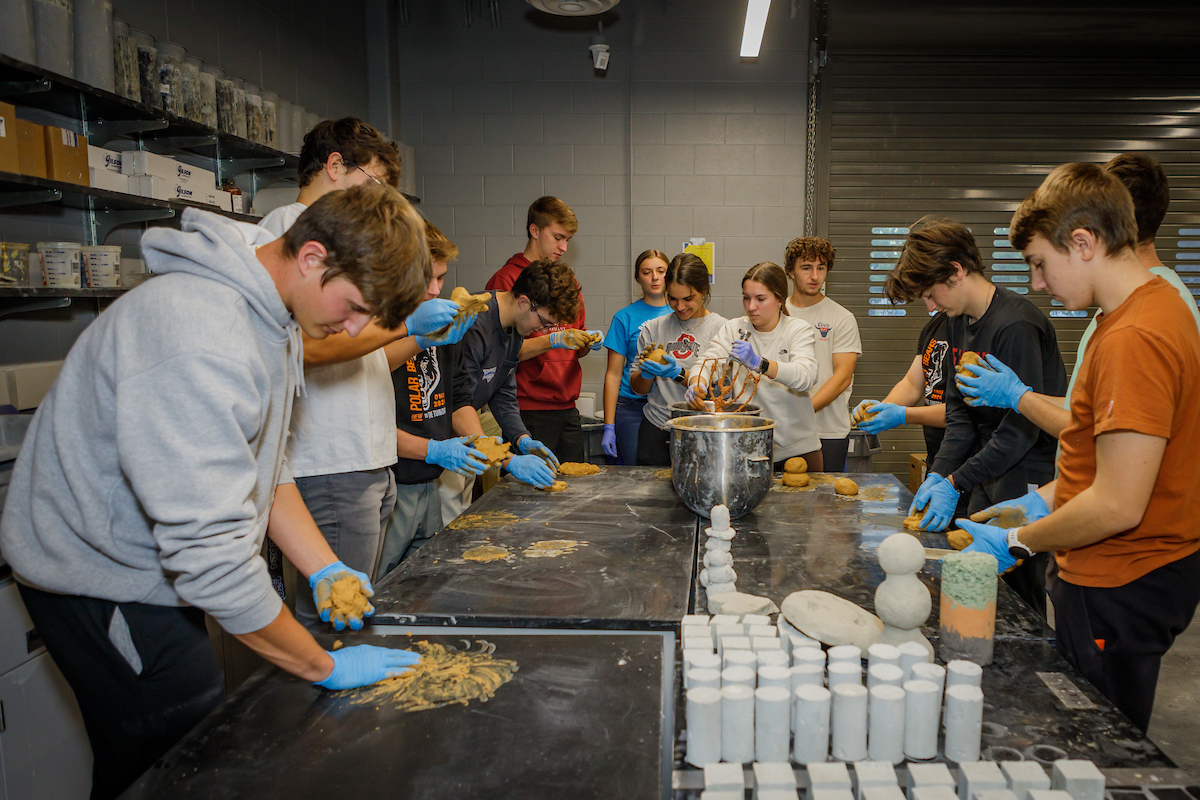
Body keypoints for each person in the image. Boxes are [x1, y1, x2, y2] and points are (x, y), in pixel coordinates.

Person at [0, 186, 426, 799]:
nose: (355, 330)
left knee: (187, 739)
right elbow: (210, 559)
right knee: (172, 755)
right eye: (355, 306)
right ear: (311, 257)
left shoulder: (274, 317)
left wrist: (324, 565)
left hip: (151, 567)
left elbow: (264, 469)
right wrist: (322, 665)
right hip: (97, 576)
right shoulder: (201, 333)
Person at [957, 162, 1200, 733]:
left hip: (1122, 578)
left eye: (1041, 264)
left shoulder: (1134, 337)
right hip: (1133, 567)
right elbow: (1111, 454)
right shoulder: (1150, 309)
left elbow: (1118, 504)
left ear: (1085, 243)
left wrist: (1019, 539)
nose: (1038, 284)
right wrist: (1043, 497)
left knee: (1097, 745)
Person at [258, 118, 472, 630]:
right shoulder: (291, 228)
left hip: (369, 456)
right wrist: (403, 325)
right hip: (331, 457)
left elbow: (364, 356)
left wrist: (415, 339)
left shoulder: (338, 242)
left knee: (358, 607)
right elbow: (303, 349)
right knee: (336, 617)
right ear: (335, 167)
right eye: (374, 185)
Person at [886, 218, 1067, 617]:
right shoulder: (956, 322)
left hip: (1025, 468)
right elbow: (959, 414)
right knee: (973, 574)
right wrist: (941, 472)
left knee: (1017, 591)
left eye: (931, 294)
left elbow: (1020, 430)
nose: (930, 307)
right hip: (988, 465)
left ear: (956, 270)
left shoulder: (1015, 325)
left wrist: (956, 480)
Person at [958, 154, 1200, 434]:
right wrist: (1018, 396)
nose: (1037, 284)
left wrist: (1018, 397)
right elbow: (1090, 416)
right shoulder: (1118, 308)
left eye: (1040, 263)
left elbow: (1115, 461)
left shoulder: (1142, 325)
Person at [378, 222, 491, 575]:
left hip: (430, 481)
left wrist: (483, 445)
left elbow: (457, 397)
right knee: (379, 587)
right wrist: (420, 337)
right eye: (426, 277)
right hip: (392, 483)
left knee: (423, 582)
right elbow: (369, 414)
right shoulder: (375, 325)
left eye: (440, 278)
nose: (434, 289)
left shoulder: (443, 320)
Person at [449, 259, 585, 512]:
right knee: (445, 524)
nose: (542, 330)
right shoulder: (475, 325)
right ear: (524, 302)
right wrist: (508, 460)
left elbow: (503, 393)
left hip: (466, 439)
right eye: (543, 323)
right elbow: (459, 405)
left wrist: (522, 438)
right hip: (443, 438)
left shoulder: (512, 330)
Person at [486, 197, 602, 463]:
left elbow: (574, 337)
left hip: (566, 406)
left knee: (574, 489)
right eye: (557, 237)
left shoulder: (567, 281)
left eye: (568, 241)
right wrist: (554, 340)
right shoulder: (506, 281)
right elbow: (499, 353)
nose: (562, 247)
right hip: (527, 410)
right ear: (535, 231)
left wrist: (583, 342)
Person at [694, 262, 821, 469]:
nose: (751, 307)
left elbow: (806, 376)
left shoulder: (796, 330)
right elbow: (709, 362)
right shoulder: (734, 328)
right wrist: (697, 382)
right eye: (746, 298)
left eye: (760, 299)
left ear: (779, 299)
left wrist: (759, 363)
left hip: (797, 450)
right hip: (749, 447)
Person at [629, 253, 728, 467]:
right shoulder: (653, 328)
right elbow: (638, 388)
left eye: (688, 299)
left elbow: (717, 389)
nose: (680, 306)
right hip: (657, 428)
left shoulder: (722, 330)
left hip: (703, 430)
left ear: (704, 291)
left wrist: (678, 375)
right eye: (672, 298)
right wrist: (647, 373)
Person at [783, 236, 862, 471]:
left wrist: (803, 411)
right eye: (806, 268)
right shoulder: (777, 314)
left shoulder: (842, 317)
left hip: (828, 431)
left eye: (821, 268)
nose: (815, 276)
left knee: (826, 504)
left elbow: (842, 378)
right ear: (790, 271)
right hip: (783, 430)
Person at [601, 250, 673, 464]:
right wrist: (609, 425)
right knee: (637, 475)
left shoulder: (680, 313)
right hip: (632, 407)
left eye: (661, 271)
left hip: (668, 404)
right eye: (647, 272)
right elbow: (613, 375)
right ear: (637, 277)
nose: (655, 278)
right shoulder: (625, 318)